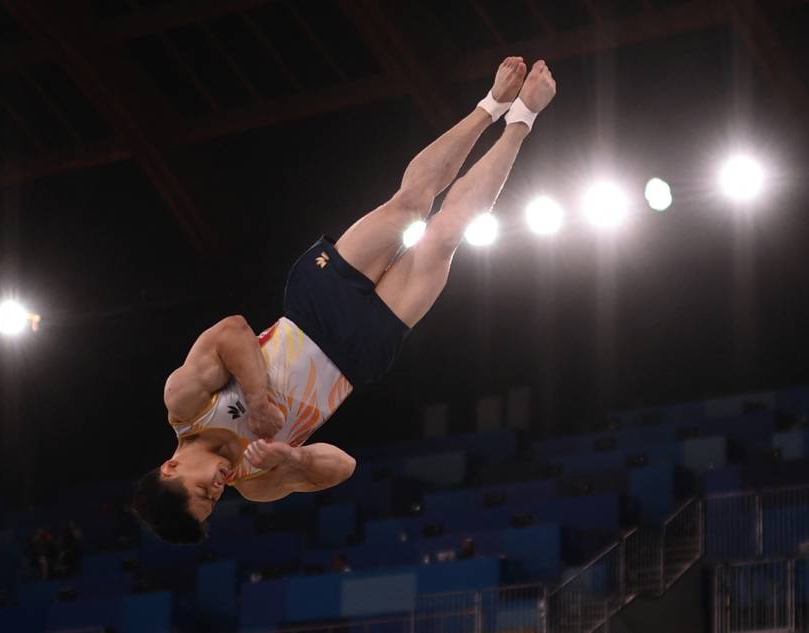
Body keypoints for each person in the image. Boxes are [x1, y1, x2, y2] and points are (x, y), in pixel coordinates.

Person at [133, 57, 556, 544]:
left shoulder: (185, 403)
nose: (215, 491)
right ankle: (522, 118)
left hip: (313, 305)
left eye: (200, 493)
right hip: (358, 354)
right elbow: (343, 468)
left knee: (411, 203)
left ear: (170, 467)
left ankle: (490, 105)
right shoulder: (256, 482)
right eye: (212, 503)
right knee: (444, 238)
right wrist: (291, 457)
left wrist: (256, 398)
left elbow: (231, 330)